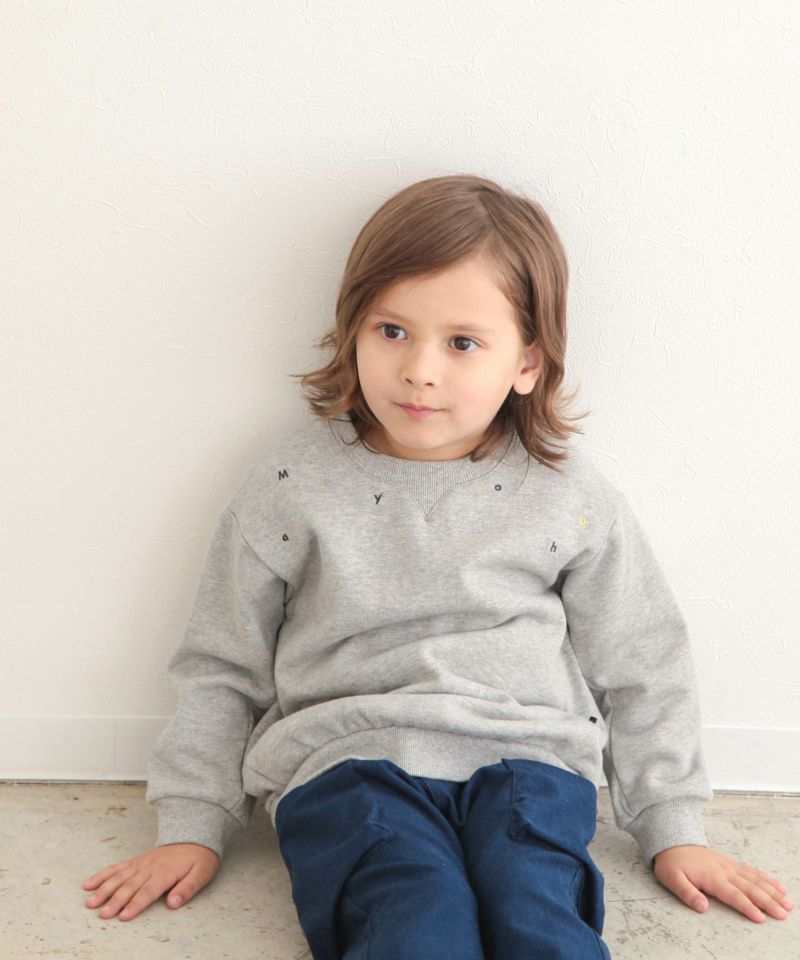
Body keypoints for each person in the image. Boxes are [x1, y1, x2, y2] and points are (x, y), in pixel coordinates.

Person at [82, 174, 793, 956]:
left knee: (539, 917)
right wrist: (194, 822)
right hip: (348, 764)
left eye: (462, 343)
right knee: (414, 919)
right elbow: (224, 663)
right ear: (352, 330)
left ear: (527, 362)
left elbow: (643, 660)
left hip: (529, 765)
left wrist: (672, 827)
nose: (421, 369)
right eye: (392, 330)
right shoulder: (290, 484)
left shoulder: (569, 497)